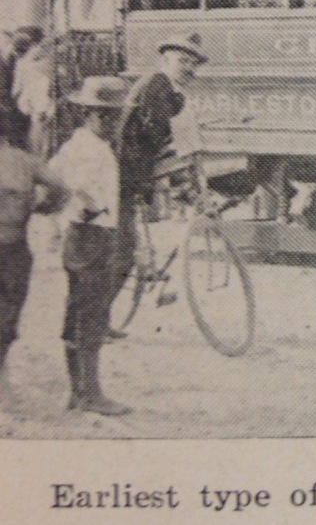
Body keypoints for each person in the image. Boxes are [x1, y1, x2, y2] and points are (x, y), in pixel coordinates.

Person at [51, 76, 132, 415]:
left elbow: (54, 176)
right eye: (108, 116)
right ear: (90, 113)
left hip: (77, 236)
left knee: (77, 313)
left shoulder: (75, 145)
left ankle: (78, 391)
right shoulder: (90, 148)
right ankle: (91, 395)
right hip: (92, 236)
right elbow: (77, 186)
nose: (114, 123)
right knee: (92, 315)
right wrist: (89, 208)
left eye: (117, 116)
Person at [114, 33, 207, 312]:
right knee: (123, 252)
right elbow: (158, 135)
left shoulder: (169, 89)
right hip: (122, 176)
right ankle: (96, 320)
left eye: (193, 63)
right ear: (165, 59)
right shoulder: (156, 86)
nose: (189, 68)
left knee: (129, 247)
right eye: (182, 61)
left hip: (136, 173)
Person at [0, 117, 72, 394]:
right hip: (13, 245)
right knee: (8, 313)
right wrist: (41, 208)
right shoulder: (24, 161)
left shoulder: (23, 161)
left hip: (13, 247)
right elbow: (61, 189)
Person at [12, 28, 54, 159]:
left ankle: (37, 160)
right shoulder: (49, 60)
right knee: (44, 137)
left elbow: (17, 90)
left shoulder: (23, 63)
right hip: (45, 103)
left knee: (37, 136)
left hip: (37, 104)